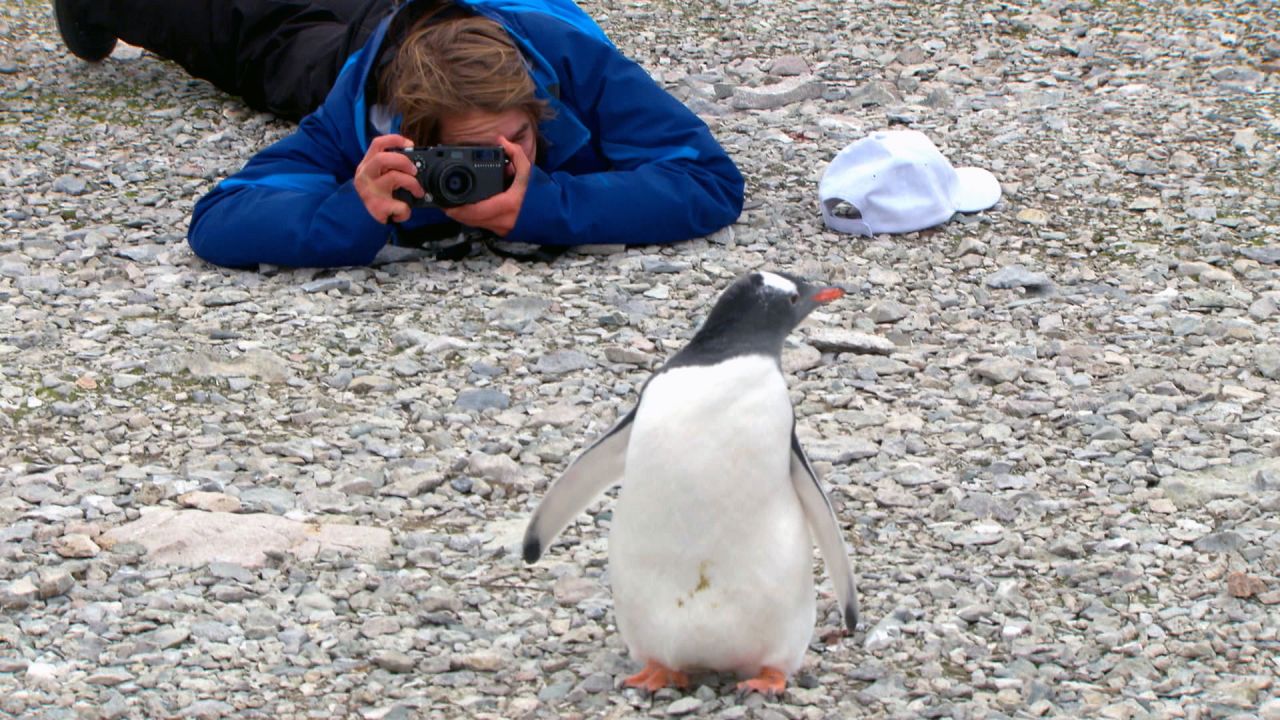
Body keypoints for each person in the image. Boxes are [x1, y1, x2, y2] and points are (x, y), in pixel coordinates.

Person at [53, 0, 746, 268]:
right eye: (465, 151)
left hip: (489, 16)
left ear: (539, 113)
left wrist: (548, 206)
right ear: (411, 136)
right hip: (377, 37)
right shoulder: (362, 104)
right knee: (255, 36)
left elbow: (710, 180)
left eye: (512, 142)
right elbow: (219, 218)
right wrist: (349, 210)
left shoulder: (576, 68)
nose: (495, 163)